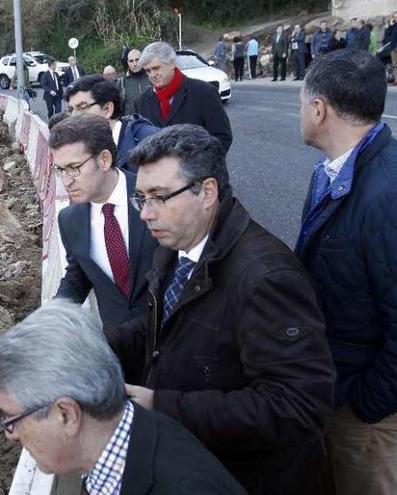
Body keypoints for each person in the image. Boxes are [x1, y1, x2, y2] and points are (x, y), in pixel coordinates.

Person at [111, 124, 336, 494]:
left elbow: (298, 406)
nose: (145, 214)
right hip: (200, 465)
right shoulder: (175, 245)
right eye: (141, 199)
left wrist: (163, 405)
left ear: (207, 192)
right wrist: (93, 346)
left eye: (159, 197)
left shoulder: (266, 278)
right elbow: (165, 326)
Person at [294, 49, 397, 495]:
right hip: (339, 383)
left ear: (319, 109)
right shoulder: (334, 170)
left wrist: (365, 406)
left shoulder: (393, 193)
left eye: (302, 102)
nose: (301, 112)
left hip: (366, 406)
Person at [0, 300, 247, 495]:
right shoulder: (130, 445)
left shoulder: (180, 485)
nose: (10, 434)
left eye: (11, 418)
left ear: (67, 414)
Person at [51, 114, 157, 334]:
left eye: (74, 167)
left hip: (173, 340)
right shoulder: (69, 220)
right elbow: (77, 277)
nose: (66, 180)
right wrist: (49, 319)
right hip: (119, 347)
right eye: (60, 170)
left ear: (105, 160)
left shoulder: (154, 195)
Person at [133, 42, 233, 153]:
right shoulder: (141, 102)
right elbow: (140, 142)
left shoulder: (204, 92)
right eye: (148, 71)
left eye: (156, 68)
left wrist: (198, 165)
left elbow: (222, 137)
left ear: (172, 64)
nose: (152, 74)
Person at [64, 75, 159, 172]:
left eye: (82, 107)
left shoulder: (150, 142)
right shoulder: (78, 148)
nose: (74, 116)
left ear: (107, 109)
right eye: (71, 110)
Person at [122, 49, 150, 116]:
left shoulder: (152, 78)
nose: (134, 64)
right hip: (132, 124)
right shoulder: (122, 83)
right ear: (128, 63)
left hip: (152, 123)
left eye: (137, 60)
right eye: (131, 61)